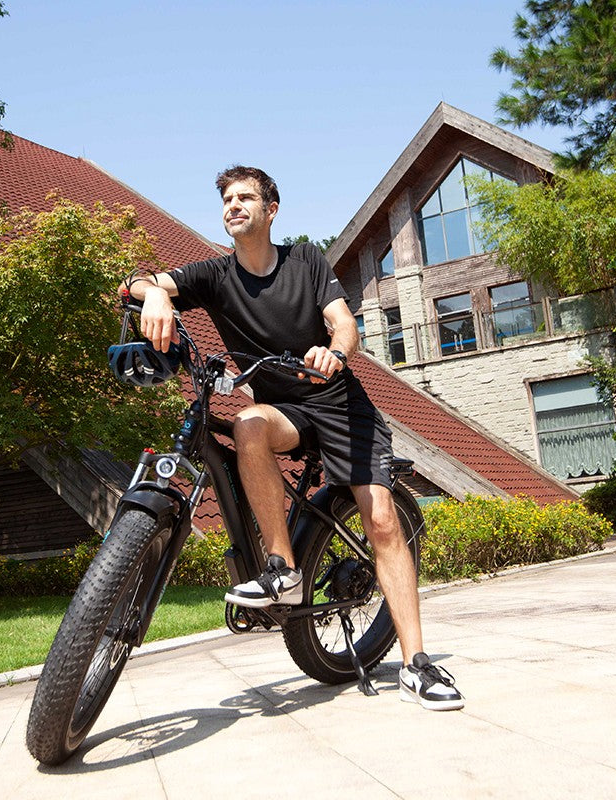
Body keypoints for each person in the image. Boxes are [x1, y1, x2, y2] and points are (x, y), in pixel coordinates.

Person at [122, 165, 463, 711]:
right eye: (227, 199)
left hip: (338, 403)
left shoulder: (304, 259)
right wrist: (157, 297)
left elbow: (344, 321)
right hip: (283, 411)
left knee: (380, 519)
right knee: (248, 423)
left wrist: (337, 351)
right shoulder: (214, 275)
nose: (234, 206)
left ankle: (418, 665)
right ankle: (282, 569)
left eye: (246, 197)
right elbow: (140, 281)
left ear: (270, 209)